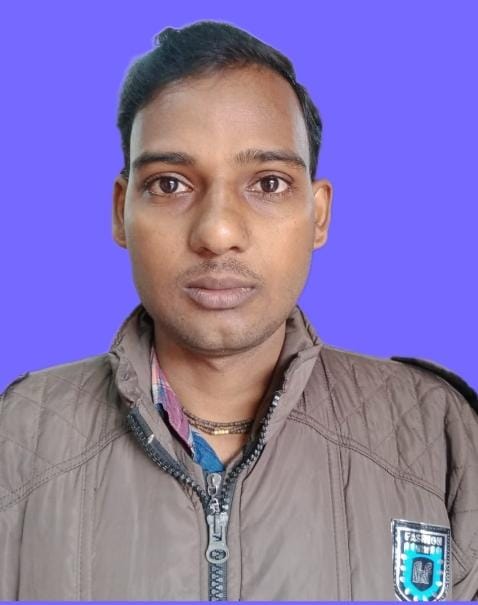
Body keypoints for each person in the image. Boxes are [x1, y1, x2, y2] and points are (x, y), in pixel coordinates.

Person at [1, 20, 477, 602]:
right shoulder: (16, 436)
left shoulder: (441, 432)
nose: (218, 232)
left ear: (319, 214)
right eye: (170, 184)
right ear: (121, 210)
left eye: (268, 183)